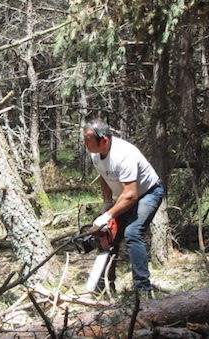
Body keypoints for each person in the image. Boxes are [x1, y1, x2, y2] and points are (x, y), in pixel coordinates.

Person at [82, 118, 165, 295]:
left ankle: (142, 288)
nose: (84, 143)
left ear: (104, 140)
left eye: (88, 139)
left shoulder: (123, 155)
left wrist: (107, 215)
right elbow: (104, 176)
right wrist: (107, 203)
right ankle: (104, 286)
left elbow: (131, 195)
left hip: (148, 193)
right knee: (107, 234)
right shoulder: (95, 153)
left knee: (132, 232)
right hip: (126, 195)